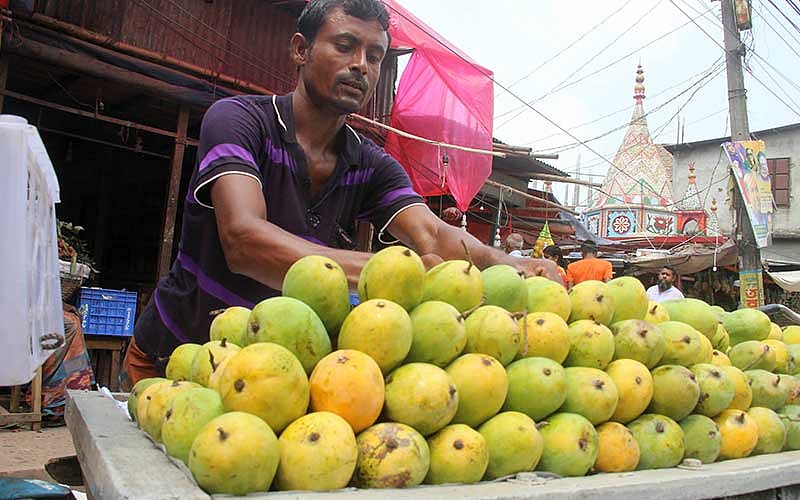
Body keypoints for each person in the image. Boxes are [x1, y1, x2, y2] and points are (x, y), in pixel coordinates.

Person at [121, 0, 559, 387]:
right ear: (300, 49)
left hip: (266, 373)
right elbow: (243, 242)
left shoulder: (369, 163)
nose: (361, 66)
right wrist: (392, 271)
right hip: (175, 356)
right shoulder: (238, 121)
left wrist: (510, 264)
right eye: (345, 46)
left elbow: (433, 235)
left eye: (375, 55)